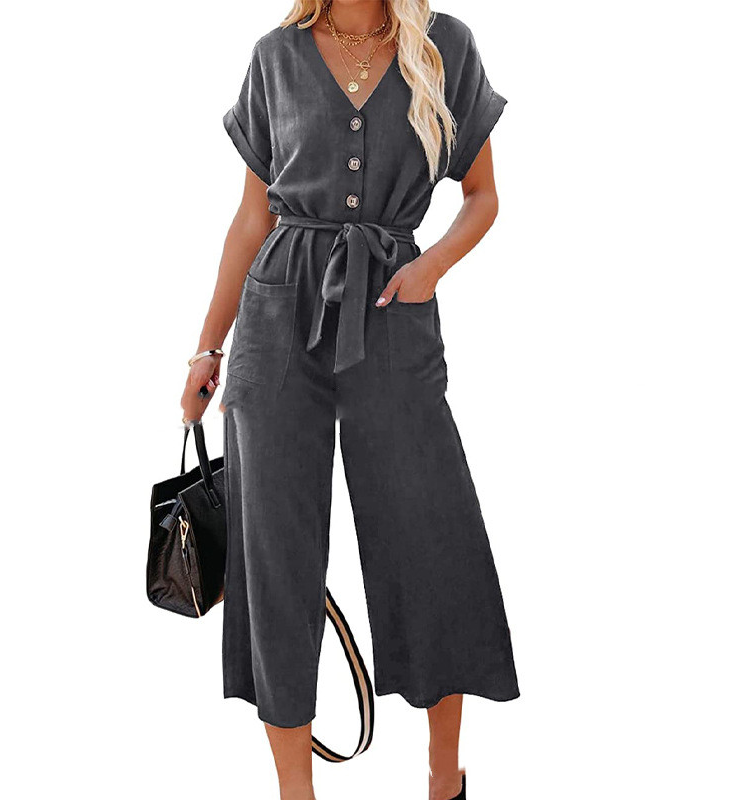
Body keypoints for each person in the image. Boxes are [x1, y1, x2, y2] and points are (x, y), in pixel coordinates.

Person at [180, 2, 519, 798]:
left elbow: (482, 195)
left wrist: (428, 268)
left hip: (393, 311)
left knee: (430, 542)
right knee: (276, 562)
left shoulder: (443, 46)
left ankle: (444, 778)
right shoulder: (275, 55)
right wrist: (207, 347)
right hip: (276, 323)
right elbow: (253, 216)